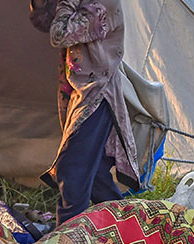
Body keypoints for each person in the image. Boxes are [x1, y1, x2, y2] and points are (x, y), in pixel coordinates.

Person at [29, 0, 141, 225]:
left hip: (99, 94)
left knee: (72, 169)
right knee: (96, 173)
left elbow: (59, 34)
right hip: (83, 92)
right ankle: (124, 228)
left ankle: (67, 243)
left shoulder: (99, 5)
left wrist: (66, 3)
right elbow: (43, 20)